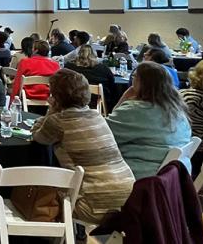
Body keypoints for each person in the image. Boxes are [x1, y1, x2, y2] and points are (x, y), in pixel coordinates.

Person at [30, 69, 134, 223]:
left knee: (39, 193)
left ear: (57, 97)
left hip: (92, 205)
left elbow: (37, 135)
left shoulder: (59, 121)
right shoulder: (98, 116)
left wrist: (51, 110)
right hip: (129, 200)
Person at [108, 62, 192, 179]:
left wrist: (123, 99)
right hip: (176, 176)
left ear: (141, 82)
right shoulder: (177, 109)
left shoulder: (135, 110)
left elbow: (104, 134)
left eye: (134, 77)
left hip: (142, 176)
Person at [65, 45, 117, 112]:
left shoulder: (69, 67)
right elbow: (112, 84)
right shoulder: (103, 68)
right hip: (96, 102)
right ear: (94, 54)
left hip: (73, 101)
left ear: (78, 54)